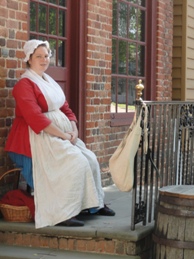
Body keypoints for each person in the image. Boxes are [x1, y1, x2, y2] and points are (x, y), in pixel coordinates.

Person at [5, 39, 115, 229]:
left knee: (90, 159)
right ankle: (63, 212)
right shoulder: (24, 84)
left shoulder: (50, 82)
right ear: (29, 59)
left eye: (46, 56)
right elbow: (35, 119)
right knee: (75, 163)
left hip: (62, 133)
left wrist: (73, 129)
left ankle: (93, 205)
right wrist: (63, 136)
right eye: (39, 56)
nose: (44, 59)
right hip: (35, 138)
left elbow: (66, 108)